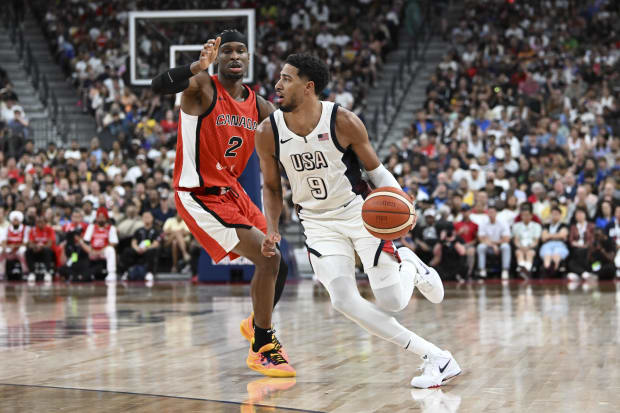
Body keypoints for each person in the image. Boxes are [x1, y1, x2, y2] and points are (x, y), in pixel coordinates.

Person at [256, 53, 460, 388]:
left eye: (286, 78)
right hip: (317, 222)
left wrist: (403, 205)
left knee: (392, 301)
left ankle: (410, 265)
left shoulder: (343, 121)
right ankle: (435, 357)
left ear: (308, 87)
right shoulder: (268, 131)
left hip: (360, 213)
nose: (277, 85)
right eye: (279, 78)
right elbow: (271, 186)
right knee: (343, 299)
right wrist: (272, 228)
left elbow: (376, 171)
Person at [151, 30, 293, 377]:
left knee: (281, 264)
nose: (233, 55)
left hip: (232, 193)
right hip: (198, 192)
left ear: (248, 58)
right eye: (226, 50)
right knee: (266, 257)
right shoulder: (201, 86)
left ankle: (254, 323)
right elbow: (158, 86)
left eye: (239, 50)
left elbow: (288, 136)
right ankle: (262, 344)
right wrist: (194, 66)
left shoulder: (260, 105)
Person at [80, 206, 118, 281]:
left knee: (111, 250)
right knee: (81, 248)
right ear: (96, 218)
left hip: (103, 252)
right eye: (99, 217)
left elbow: (113, 243)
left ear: (106, 218)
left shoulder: (111, 228)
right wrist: (91, 251)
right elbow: (85, 242)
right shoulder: (91, 227)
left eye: (102, 217)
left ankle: (111, 273)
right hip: (92, 252)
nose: (100, 218)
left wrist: (101, 251)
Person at [120, 211, 160, 281]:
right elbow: (133, 242)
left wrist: (146, 248)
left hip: (148, 250)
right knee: (127, 251)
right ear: (142, 219)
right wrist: (137, 248)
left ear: (152, 218)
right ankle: (127, 272)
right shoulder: (138, 230)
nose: (146, 218)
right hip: (138, 250)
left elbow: (156, 243)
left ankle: (149, 272)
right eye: (145, 217)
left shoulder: (156, 231)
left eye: (148, 217)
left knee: (153, 251)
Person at [476, 203, 511, 279]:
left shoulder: (503, 223)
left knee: (506, 246)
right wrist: (493, 245)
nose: (491, 214)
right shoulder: (483, 223)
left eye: (492, 212)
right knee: (480, 247)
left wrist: (495, 244)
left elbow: (506, 239)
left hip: (500, 245)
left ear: (496, 213)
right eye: (489, 212)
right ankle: (482, 270)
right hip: (488, 246)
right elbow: (481, 238)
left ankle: (505, 270)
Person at [512, 203, 542, 279]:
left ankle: (525, 271)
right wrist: (521, 247)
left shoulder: (536, 226)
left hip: (531, 246)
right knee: (519, 253)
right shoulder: (516, 226)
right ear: (521, 216)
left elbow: (536, 241)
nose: (525, 217)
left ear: (531, 216)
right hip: (520, 246)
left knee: (530, 253)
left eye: (527, 215)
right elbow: (516, 240)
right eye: (523, 215)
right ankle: (524, 271)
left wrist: (528, 247)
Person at [539, 206, 569, 277]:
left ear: (560, 215)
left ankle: (555, 270)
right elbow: (544, 237)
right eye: (553, 214)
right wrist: (557, 235)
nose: (554, 216)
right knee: (547, 254)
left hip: (559, 245)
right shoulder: (546, 225)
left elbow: (563, 235)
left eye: (556, 214)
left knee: (556, 254)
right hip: (547, 245)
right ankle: (547, 269)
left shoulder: (564, 225)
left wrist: (549, 235)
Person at [566, 207, 595, 281]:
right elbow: (571, 240)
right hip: (576, 249)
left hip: (588, 249)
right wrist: (579, 245)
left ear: (585, 215)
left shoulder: (591, 225)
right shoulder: (573, 227)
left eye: (581, 213)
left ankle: (579, 273)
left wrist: (586, 245)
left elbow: (593, 238)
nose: (579, 215)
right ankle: (583, 273)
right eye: (577, 214)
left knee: (584, 253)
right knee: (571, 262)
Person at [26, 214, 56, 282]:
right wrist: (35, 246)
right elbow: (30, 243)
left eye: (41, 222)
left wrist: (41, 247)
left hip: (45, 251)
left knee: (48, 250)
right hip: (35, 251)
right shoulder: (32, 230)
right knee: (28, 251)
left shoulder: (50, 229)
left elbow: (50, 243)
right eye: (38, 222)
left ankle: (47, 272)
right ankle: (32, 273)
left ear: (45, 222)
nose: (39, 224)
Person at [0, 210, 29, 279]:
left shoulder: (25, 228)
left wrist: (15, 247)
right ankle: (1, 273)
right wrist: (5, 248)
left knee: (22, 251)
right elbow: (3, 241)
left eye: (17, 220)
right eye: (14, 220)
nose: (15, 221)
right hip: (9, 249)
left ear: (20, 220)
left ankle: (25, 272)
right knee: (1, 251)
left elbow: (25, 243)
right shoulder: (7, 228)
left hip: (19, 249)